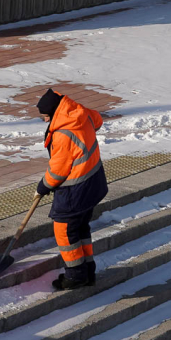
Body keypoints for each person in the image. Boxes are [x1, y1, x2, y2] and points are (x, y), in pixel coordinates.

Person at [35, 88, 108, 291]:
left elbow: (58, 171)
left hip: (76, 188)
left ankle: (76, 275)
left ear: (54, 113)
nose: (44, 121)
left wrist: (43, 186)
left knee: (65, 230)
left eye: (45, 117)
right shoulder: (80, 113)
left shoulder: (63, 133)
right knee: (81, 227)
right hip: (93, 182)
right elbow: (98, 120)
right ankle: (87, 271)